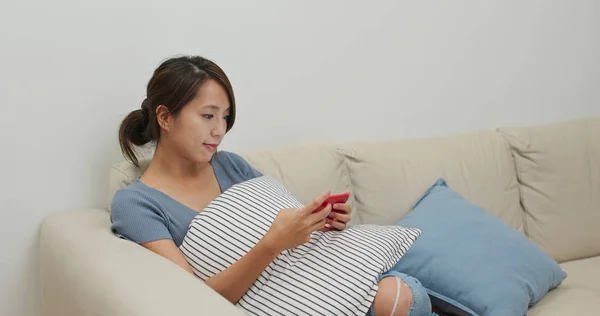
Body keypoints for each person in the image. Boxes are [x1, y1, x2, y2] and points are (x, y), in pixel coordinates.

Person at [110, 55, 437, 316]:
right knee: (397, 298)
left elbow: (291, 238)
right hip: (290, 304)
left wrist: (319, 223)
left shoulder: (229, 165)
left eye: (225, 117)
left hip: (334, 285)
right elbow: (194, 302)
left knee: (404, 291)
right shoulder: (137, 204)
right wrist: (272, 244)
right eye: (208, 116)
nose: (219, 131)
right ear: (165, 118)